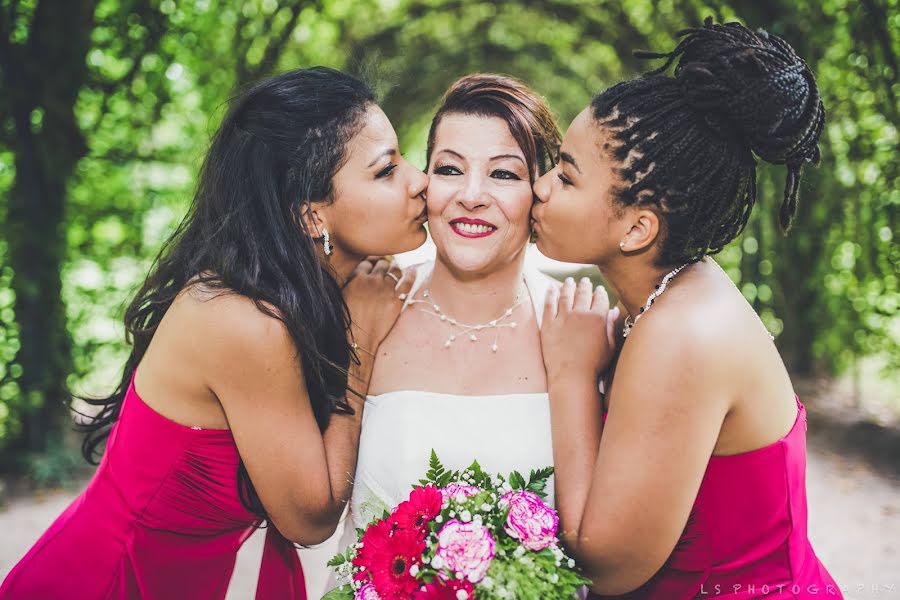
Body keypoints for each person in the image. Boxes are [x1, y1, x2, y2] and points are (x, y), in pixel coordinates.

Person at [0, 66, 427, 600]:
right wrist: (360, 348)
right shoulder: (244, 320)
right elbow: (309, 520)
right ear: (311, 215)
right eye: (387, 170)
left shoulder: (300, 292)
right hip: (104, 582)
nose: (421, 180)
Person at [532, 19, 839, 599]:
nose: (541, 188)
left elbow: (607, 565)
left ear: (638, 227)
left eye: (566, 177)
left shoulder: (683, 333)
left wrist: (571, 372)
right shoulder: (669, 297)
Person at [320, 73, 563, 593]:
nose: (471, 196)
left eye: (503, 174)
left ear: (540, 194)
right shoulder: (364, 311)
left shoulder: (577, 328)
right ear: (425, 182)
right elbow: (316, 503)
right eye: (450, 169)